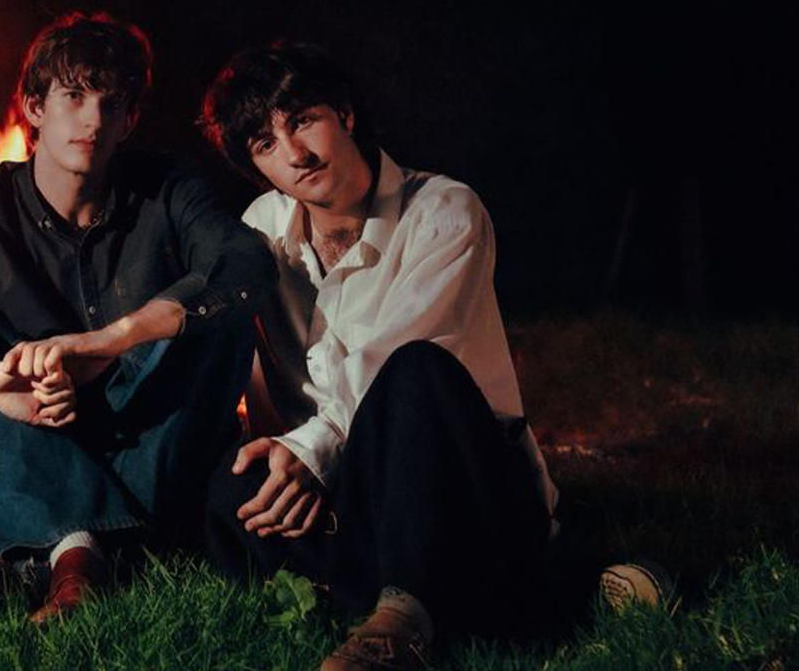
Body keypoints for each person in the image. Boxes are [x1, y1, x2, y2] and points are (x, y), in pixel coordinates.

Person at [0, 12, 276, 623]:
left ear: (130, 120)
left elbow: (245, 263)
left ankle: (64, 551)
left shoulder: (167, 189)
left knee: (216, 307)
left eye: (112, 104)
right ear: (34, 108)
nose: (93, 120)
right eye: (74, 97)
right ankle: (103, 549)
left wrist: (109, 341)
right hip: (33, 429)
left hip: (147, 437)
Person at [198, 41, 557, 671]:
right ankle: (468, 592)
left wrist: (312, 448)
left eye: (303, 120)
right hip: (352, 487)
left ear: (344, 113)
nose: (295, 154)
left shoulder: (443, 209)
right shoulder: (264, 227)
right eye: (266, 144)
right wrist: (281, 456)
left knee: (414, 371)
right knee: (231, 483)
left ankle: (401, 618)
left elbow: (390, 355)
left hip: (462, 477)